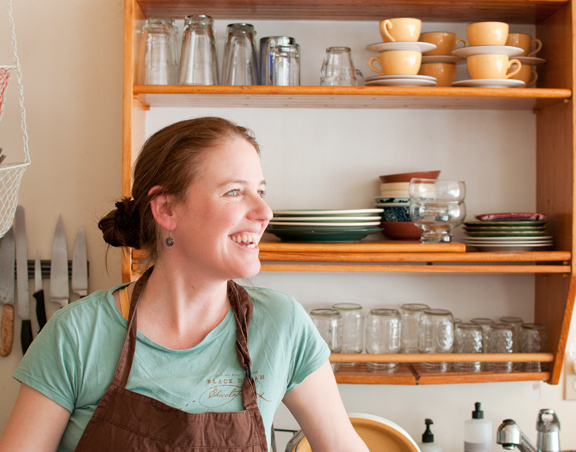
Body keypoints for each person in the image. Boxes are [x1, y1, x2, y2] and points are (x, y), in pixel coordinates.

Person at [0, 117, 368, 452]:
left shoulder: (282, 324)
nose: (264, 213)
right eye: (234, 192)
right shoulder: (77, 335)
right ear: (166, 210)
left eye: (261, 191)